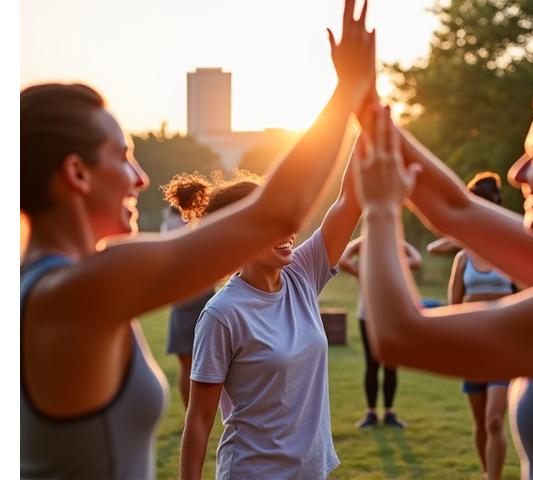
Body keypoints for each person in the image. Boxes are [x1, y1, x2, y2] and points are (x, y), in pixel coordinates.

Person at [19, 2, 375, 476]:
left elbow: (304, 212)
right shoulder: (72, 292)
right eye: (123, 156)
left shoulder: (66, 283)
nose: (141, 178)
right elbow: (275, 213)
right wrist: (348, 90)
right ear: (76, 173)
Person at [356, 63, 533, 479]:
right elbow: (452, 207)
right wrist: (363, 102)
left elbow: (398, 336)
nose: (517, 174)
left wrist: (380, 210)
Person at [177, 139, 362, 479]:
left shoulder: (303, 273)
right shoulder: (222, 314)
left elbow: (351, 199)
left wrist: (367, 116)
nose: (289, 229)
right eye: (272, 221)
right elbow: (199, 420)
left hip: (311, 472)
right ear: (237, 235)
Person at [447, 172, 513, 480]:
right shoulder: (462, 258)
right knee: (480, 421)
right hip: (473, 346)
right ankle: (488, 472)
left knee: (495, 421)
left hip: (504, 346)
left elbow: (527, 298)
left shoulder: (511, 253)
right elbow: (453, 307)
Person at [339, 235, 422, 428]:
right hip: (367, 319)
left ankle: (390, 413)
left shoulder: (395, 268)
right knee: (372, 365)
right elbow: (343, 259)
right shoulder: (363, 268)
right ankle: (371, 413)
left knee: (391, 366)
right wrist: (364, 239)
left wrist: (398, 239)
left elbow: (417, 261)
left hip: (391, 321)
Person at [159, 205, 215, 409]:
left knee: (192, 364)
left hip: (194, 298)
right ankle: (193, 412)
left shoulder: (173, 225)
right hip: (189, 300)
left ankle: (194, 412)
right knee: (190, 364)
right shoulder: (178, 225)